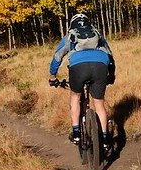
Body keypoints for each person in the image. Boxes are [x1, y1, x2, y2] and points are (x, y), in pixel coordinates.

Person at [48, 13, 114, 147]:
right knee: (99, 104)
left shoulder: (70, 36)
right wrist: (111, 75)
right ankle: (106, 138)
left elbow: (57, 57)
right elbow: (110, 56)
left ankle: (77, 133)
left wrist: (52, 77)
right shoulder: (97, 34)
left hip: (78, 67)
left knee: (75, 96)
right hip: (100, 66)